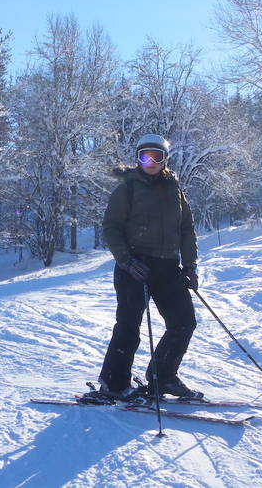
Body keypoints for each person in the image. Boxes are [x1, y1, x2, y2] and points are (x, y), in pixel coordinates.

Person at [98, 134, 201, 400]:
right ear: (138, 158)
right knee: (129, 326)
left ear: (165, 158)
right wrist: (126, 260)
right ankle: (114, 384)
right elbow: (111, 227)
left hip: (167, 265)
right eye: (145, 156)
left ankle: (163, 377)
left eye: (157, 156)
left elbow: (187, 228)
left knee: (184, 322)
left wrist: (190, 265)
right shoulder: (127, 189)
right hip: (134, 266)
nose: (151, 161)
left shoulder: (175, 190)